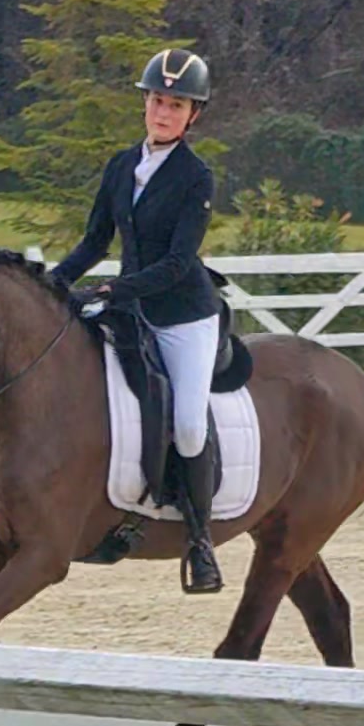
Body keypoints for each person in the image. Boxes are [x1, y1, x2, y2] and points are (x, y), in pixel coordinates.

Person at [56, 47, 225, 590]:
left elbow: (178, 264)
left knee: (190, 424)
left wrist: (111, 288)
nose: (163, 112)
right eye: (157, 100)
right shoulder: (121, 166)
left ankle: (199, 543)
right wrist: (51, 283)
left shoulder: (196, 178)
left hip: (182, 316)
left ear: (192, 114)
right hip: (129, 307)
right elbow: (94, 241)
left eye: (176, 105)